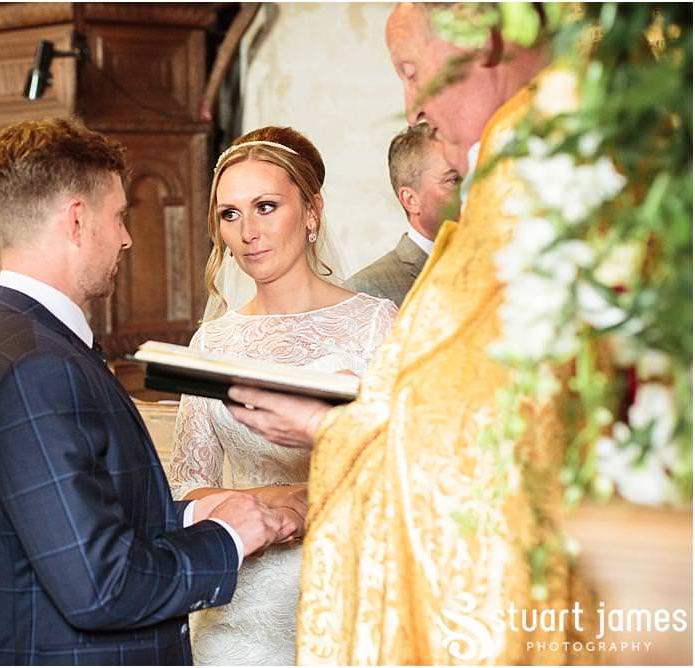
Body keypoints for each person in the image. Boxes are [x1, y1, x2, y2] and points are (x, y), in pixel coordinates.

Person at [225, 4, 600, 664]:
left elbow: (490, 436)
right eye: (229, 213)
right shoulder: (509, 190)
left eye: (410, 70)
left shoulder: (545, 177)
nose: (411, 107)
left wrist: (329, 427)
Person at [0, 117, 297, 665]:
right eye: (119, 216)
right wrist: (228, 536)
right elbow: (100, 586)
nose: (127, 236)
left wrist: (195, 516)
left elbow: (66, 522)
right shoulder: (38, 366)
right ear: (77, 220)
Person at [167, 126, 397, 665]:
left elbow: (406, 461)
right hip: (243, 603)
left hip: (349, 586)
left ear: (312, 212)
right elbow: (187, 484)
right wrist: (268, 504)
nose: (248, 231)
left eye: (266, 207)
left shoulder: (375, 325)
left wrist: (311, 496)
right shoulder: (213, 342)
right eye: (230, 214)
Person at [345, 122, 461, 306]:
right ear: (410, 200)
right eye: (455, 180)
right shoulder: (368, 290)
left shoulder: (504, 263)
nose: (473, 188)